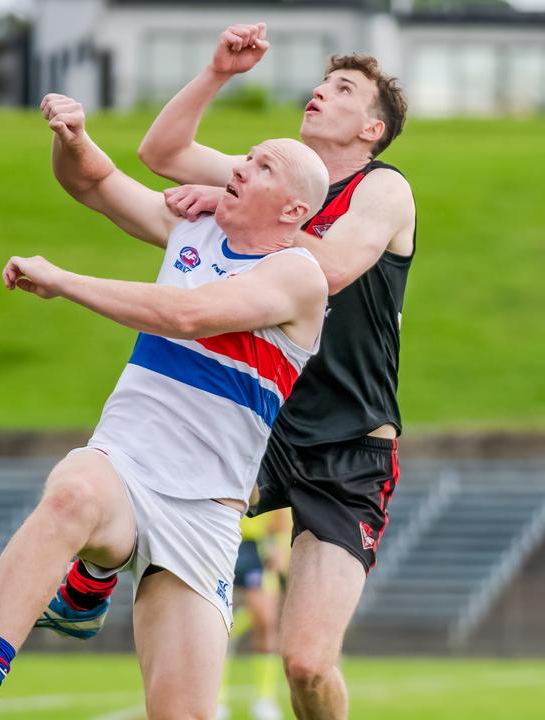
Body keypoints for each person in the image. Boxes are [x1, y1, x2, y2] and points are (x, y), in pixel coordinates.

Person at [0, 95, 330, 720]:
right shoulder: (192, 228)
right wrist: (72, 137)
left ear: (293, 209)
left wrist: (65, 281)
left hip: (204, 511)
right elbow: (93, 182)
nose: (239, 166)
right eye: (245, 156)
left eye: (260, 166)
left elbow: (187, 315)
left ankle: (83, 592)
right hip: (124, 466)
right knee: (72, 490)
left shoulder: (299, 275)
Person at [137, 24, 415, 720]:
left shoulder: (383, 190)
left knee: (307, 666)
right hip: (262, 420)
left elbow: (329, 269)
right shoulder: (271, 180)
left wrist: (239, 207)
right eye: (324, 83)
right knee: (138, 489)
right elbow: (161, 153)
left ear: (372, 128)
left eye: (344, 89)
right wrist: (216, 72)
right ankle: (73, 580)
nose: (321, 91)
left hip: (348, 445)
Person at [221, 509, 291, 720]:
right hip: (223, 539)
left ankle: (265, 698)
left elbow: (280, 518)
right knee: (216, 625)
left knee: (265, 622)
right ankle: (216, 698)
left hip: (257, 548)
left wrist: (279, 548)